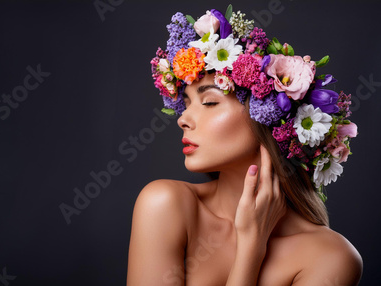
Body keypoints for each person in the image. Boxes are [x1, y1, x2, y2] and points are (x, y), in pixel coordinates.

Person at [127, 6, 362, 286]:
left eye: (210, 102)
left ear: (269, 117)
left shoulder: (330, 257)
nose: (183, 119)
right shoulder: (165, 205)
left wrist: (253, 245)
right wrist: (250, 249)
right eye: (186, 103)